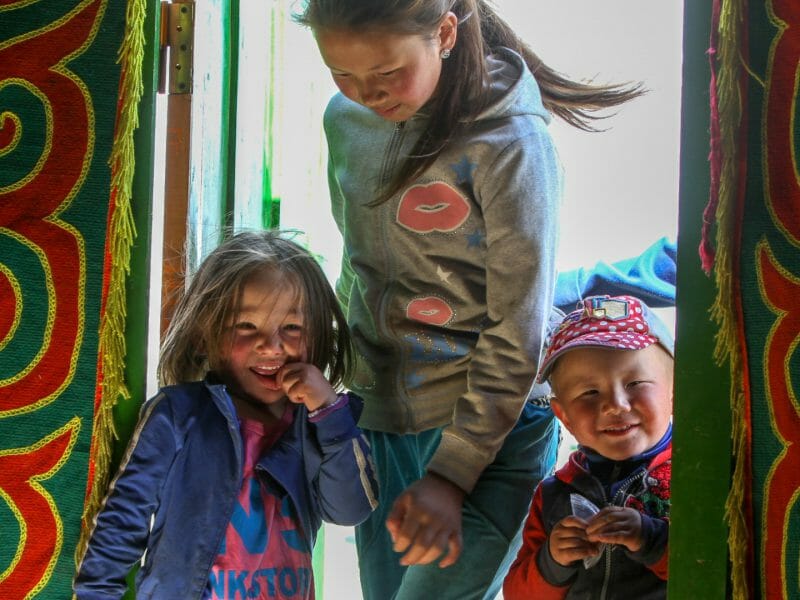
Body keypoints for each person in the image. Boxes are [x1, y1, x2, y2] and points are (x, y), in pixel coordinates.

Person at [294, 1, 644, 598]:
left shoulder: (510, 142)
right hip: (383, 420)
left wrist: (452, 476)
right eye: (342, 73)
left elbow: (520, 327)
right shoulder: (344, 119)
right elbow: (359, 260)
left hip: (488, 430)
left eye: (385, 72)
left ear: (446, 33)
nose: (364, 93)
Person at [74, 230, 379, 599]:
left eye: (292, 327)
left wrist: (330, 413)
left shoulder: (316, 425)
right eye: (247, 326)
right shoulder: (177, 416)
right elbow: (121, 523)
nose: (272, 345)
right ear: (207, 333)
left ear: (317, 337)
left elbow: (350, 509)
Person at [503, 294, 674, 600]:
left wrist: (650, 538)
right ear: (563, 415)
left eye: (635, 383)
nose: (615, 405)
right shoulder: (554, 494)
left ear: (675, 390)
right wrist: (553, 562)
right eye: (590, 392)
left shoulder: (697, 474)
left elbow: (726, 567)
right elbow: (518, 594)